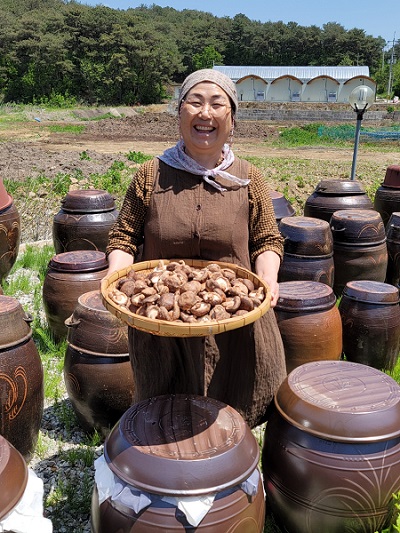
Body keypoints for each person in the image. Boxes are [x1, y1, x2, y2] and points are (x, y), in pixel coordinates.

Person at [106, 69, 287, 429]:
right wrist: (117, 276)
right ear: (179, 114)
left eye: (217, 104)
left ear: (231, 119)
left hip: (236, 328)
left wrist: (267, 280)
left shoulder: (249, 178)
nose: (205, 113)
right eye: (195, 101)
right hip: (163, 325)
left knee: (230, 426)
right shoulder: (149, 175)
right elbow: (123, 237)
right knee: (166, 422)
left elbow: (267, 239)